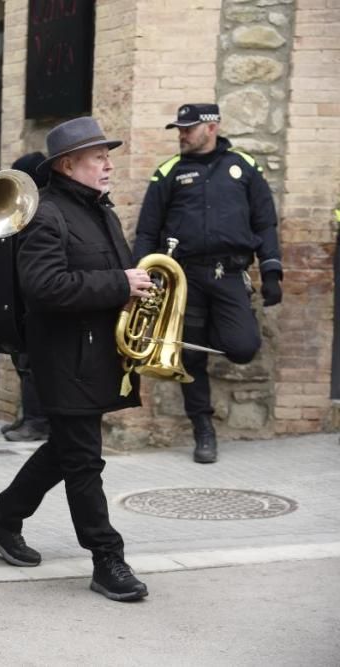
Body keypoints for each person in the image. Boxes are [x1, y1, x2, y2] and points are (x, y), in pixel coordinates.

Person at [0, 116, 151, 603]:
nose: (108, 164)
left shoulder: (100, 210)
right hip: (63, 358)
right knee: (84, 460)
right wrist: (120, 283)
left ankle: (1, 520)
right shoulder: (46, 214)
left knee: (67, 451)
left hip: (95, 354)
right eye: (99, 156)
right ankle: (106, 558)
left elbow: (109, 277)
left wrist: (132, 288)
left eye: (107, 155)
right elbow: (44, 287)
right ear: (69, 164)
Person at [133, 103, 282, 464]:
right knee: (189, 356)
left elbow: (265, 222)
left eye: (188, 128)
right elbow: (147, 231)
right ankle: (203, 428)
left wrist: (273, 270)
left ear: (211, 126)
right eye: (179, 129)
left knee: (243, 346)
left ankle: (210, 331)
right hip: (185, 279)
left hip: (229, 274)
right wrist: (140, 278)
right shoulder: (169, 171)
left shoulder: (244, 166)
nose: (182, 134)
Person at [0, 151, 51, 443]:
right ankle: (29, 417)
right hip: (20, 298)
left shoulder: (40, 210)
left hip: (32, 301)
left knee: (29, 364)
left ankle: (37, 422)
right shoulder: (28, 206)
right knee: (23, 362)